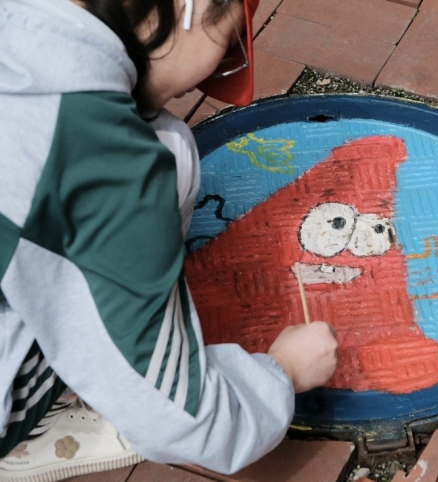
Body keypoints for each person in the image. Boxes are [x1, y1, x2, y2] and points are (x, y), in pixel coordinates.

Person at [0, 0, 339, 480]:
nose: (209, 77)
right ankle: (35, 427)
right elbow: (190, 424)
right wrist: (281, 373)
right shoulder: (108, 163)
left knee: (170, 144)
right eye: (230, 41)